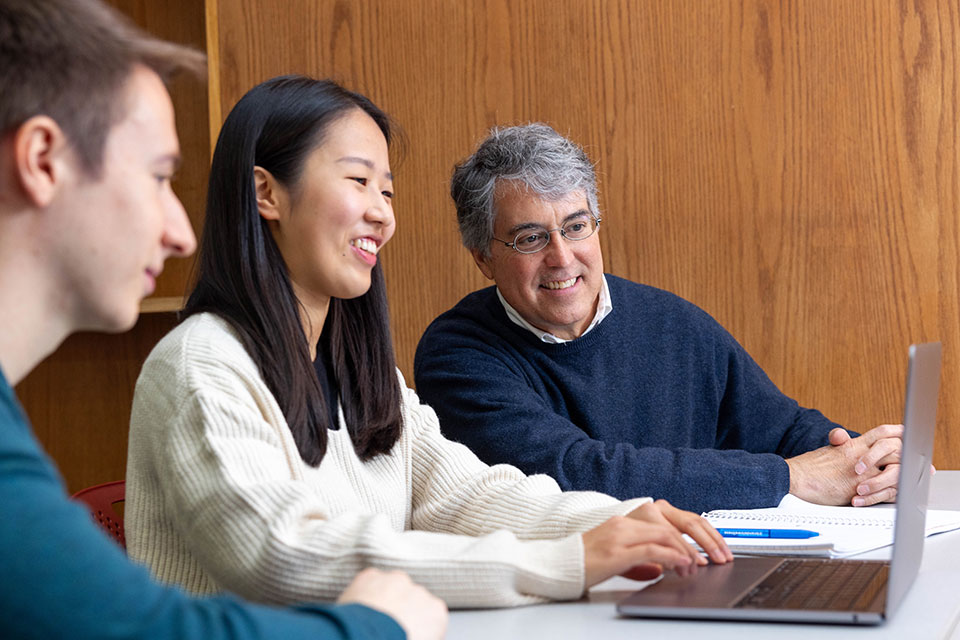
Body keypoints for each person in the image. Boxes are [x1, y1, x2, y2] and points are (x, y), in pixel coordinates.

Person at [124, 75, 733, 610]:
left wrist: (625, 520)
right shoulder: (199, 365)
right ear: (266, 194)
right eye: (358, 181)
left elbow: (467, 497)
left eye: (386, 192)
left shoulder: (363, 374)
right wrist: (568, 561)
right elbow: (286, 557)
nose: (382, 214)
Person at [0, 1, 446, 638]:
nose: (182, 233)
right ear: (43, 160)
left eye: (388, 190)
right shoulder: (199, 360)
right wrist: (376, 624)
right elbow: (148, 627)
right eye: (158, 178)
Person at [413, 123, 905, 515]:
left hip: (704, 577)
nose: (562, 258)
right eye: (530, 238)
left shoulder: (671, 322)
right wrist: (790, 478)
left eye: (576, 226)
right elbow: (575, 475)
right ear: (483, 257)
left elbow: (781, 427)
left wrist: (867, 462)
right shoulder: (457, 354)